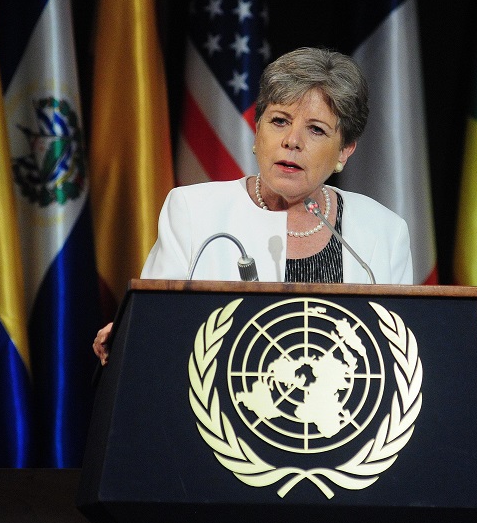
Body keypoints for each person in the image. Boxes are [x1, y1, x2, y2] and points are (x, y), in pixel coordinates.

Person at [92, 47, 414, 364]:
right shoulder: (193, 212)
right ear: (258, 130)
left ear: (345, 150)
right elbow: (155, 324)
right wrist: (131, 334)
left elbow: (400, 354)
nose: (292, 140)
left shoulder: (383, 233)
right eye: (279, 121)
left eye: (315, 129)